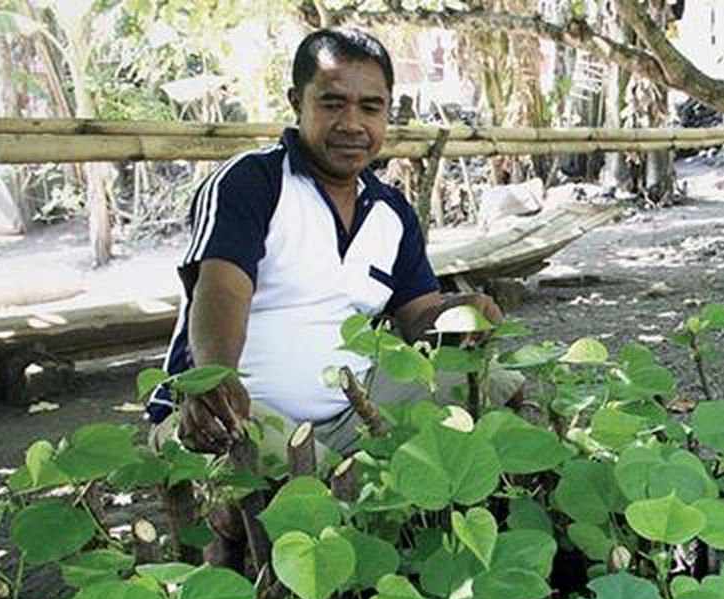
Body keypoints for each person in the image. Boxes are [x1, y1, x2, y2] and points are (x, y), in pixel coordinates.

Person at [147, 28, 505, 456]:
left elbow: (419, 318)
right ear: (297, 102)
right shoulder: (252, 182)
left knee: (495, 384)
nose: (352, 124)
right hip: (237, 415)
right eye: (332, 104)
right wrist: (215, 376)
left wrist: (461, 312)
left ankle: (345, 467)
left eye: (370, 107)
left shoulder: (391, 212)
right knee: (282, 466)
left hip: (357, 409)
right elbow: (221, 289)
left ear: (387, 111)